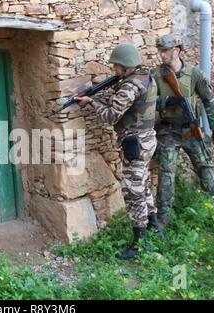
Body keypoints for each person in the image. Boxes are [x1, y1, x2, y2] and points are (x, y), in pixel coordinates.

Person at [75, 43, 162, 260]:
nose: (113, 70)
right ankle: (154, 227)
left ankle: (140, 242)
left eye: (116, 67)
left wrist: (92, 102)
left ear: (125, 67)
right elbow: (122, 102)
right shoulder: (145, 77)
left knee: (133, 191)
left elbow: (112, 116)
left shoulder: (130, 86)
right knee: (142, 185)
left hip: (135, 144)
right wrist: (97, 96)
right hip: (148, 139)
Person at [152, 34, 214, 225]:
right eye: (160, 51)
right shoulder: (156, 75)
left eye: (165, 51)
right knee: (166, 173)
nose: (162, 56)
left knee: (206, 166)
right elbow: (146, 102)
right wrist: (167, 101)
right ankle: (163, 220)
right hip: (168, 131)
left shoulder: (194, 73)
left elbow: (209, 100)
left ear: (177, 50)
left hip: (191, 129)